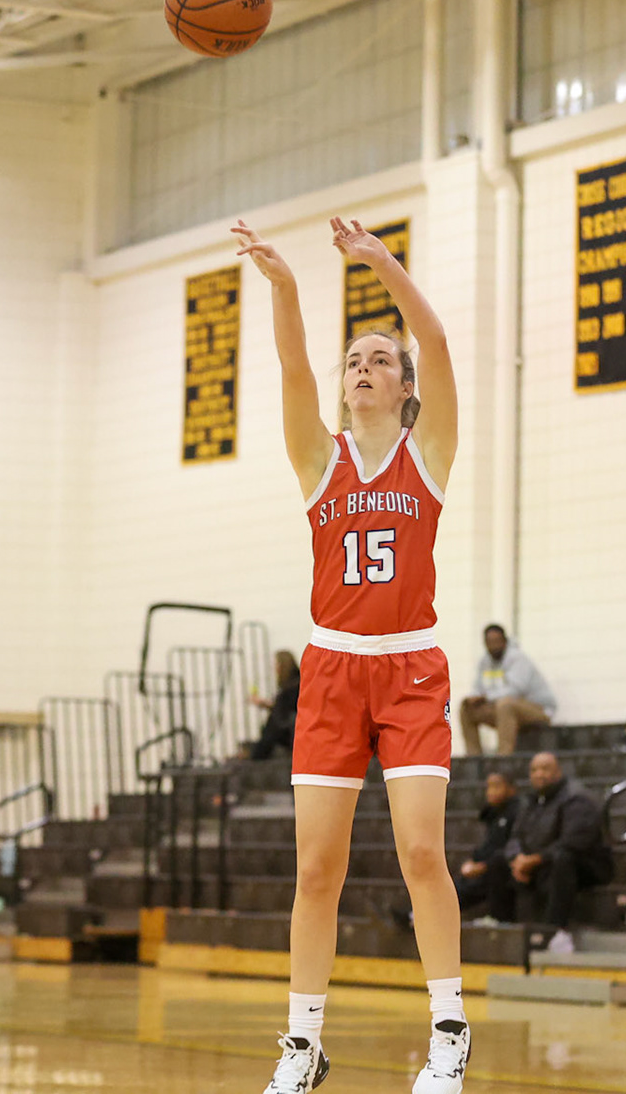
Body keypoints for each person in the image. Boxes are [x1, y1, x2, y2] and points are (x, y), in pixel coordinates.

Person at [236, 216, 469, 1094]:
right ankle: (303, 1045)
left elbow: (437, 337)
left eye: (379, 359)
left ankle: (448, 1031)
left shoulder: (429, 455)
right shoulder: (317, 461)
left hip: (411, 668)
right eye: (355, 361)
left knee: (419, 854)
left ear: (406, 388)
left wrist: (380, 263)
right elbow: (294, 366)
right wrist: (286, 286)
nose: (362, 367)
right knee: (316, 869)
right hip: (332, 670)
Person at [501, 752, 612, 956]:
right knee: (497, 862)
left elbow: (574, 842)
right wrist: (517, 860)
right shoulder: (531, 801)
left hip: (586, 867)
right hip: (543, 863)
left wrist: (534, 860)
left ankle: (555, 932)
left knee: (563, 859)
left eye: (545, 769)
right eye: (534, 770)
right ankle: (501, 931)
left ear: (558, 772)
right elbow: (514, 838)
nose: (539, 774)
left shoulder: (577, 797)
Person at [393, 772, 521, 929]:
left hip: (505, 868)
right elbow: (488, 846)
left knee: (471, 884)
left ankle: (419, 918)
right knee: (456, 884)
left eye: (496, 786)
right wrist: (474, 862)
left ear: (512, 789)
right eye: (489, 787)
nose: (491, 791)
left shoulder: (517, 812)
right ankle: (418, 916)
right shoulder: (493, 815)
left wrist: (482, 866)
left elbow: (511, 847)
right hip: (488, 867)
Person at [458, 625, 557, 756]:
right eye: (490, 642)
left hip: (538, 709)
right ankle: (473, 757)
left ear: (504, 641)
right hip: (500, 708)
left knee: (505, 705)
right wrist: (474, 697)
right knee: (467, 707)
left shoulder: (518, 658)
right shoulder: (485, 662)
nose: (494, 646)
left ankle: (503, 757)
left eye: (497, 641)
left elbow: (516, 690)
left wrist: (486, 697)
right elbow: (478, 688)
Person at [249, 650, 301, 760]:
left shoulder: (289, 688)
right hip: (294, 726)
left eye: (276, 664)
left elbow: (282, 711)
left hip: (290, 730)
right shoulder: (298, 683)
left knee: (271, 726)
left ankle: (256, 757)